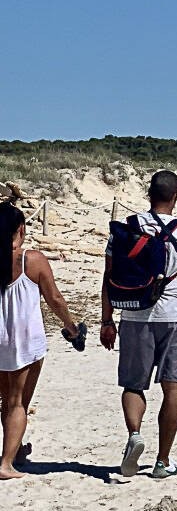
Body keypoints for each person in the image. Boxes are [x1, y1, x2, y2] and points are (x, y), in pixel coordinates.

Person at [100, 171, 177, 478]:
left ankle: (134, 436)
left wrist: (107, 320)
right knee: (173, 389)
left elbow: (108, 277)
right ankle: (163, 461)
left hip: (133, 316)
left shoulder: (127, 228)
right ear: (175, 196)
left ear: (148, 193)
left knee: (132, 385)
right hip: (174, 319)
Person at [1, 204, 81, 479]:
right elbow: (55, 299)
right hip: (24, 340)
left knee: (7, 401)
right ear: (21, 229)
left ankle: (16, 449)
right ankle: (6, 463)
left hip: (0, 338)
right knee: (18, 402)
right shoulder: (30, 260)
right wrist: (71, 327)